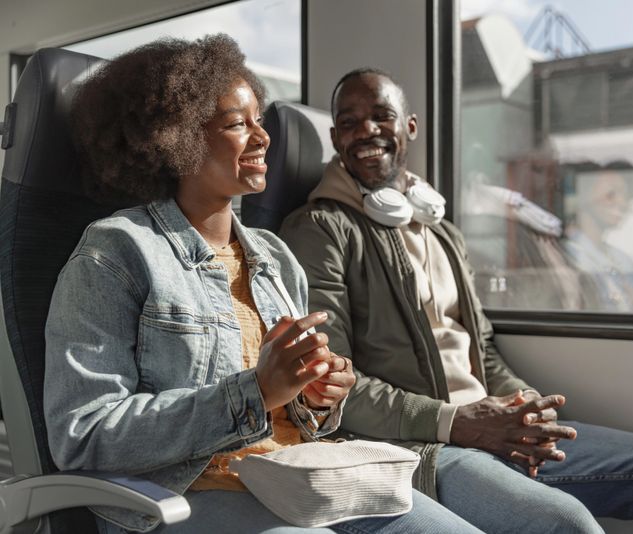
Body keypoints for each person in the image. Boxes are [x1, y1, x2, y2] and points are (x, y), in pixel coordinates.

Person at [43, 37, 482, 534]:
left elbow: (294, 412)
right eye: (237, 124)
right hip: (182, 495)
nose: (262, 138)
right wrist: (254, 391)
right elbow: (84, 434)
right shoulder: (116, 253)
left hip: (299, 481)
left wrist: (317, 395)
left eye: (259, 121)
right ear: (174, 137)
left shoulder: (275, 257)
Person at [279, 68, 633, 534]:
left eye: (382, 116)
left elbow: (483, 348)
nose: (367, 131)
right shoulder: (318, 231)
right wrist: (456, 421)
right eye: (351, 121)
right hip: (423, 443)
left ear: (410, 127)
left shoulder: (441, 231)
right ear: (336, 136)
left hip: (489, 425)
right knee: (571, 526)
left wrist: (524, 407)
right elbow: (331, 386)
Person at [563, 160, 633, 312]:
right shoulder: (567, 255)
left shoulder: (623, 261)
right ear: (583, 196)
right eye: (611, 194)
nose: (622, 203)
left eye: (626, 196)